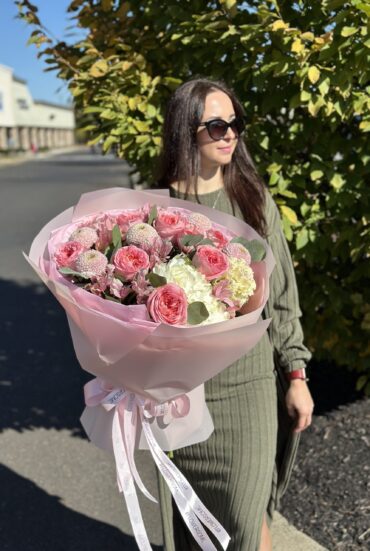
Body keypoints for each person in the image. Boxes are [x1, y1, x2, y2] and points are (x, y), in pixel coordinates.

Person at [153, 77, 315, 551]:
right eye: (217, 125)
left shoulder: (253, 200)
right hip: (183, 398)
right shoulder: (158, 210)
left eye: (235, 123)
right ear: (187, 130)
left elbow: (283, 294)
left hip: (248, 390)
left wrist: (297, 375)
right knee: (197, 527)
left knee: (245, 518)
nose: (230, 134)